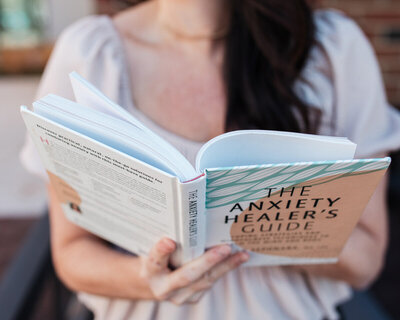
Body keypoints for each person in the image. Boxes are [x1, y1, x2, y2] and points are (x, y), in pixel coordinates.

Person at [20, 0, 400, 319]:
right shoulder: (89, 55)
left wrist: (267, 232)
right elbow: (71, 250)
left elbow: (365, 259)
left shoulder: (334, 50)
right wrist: (149, 278)